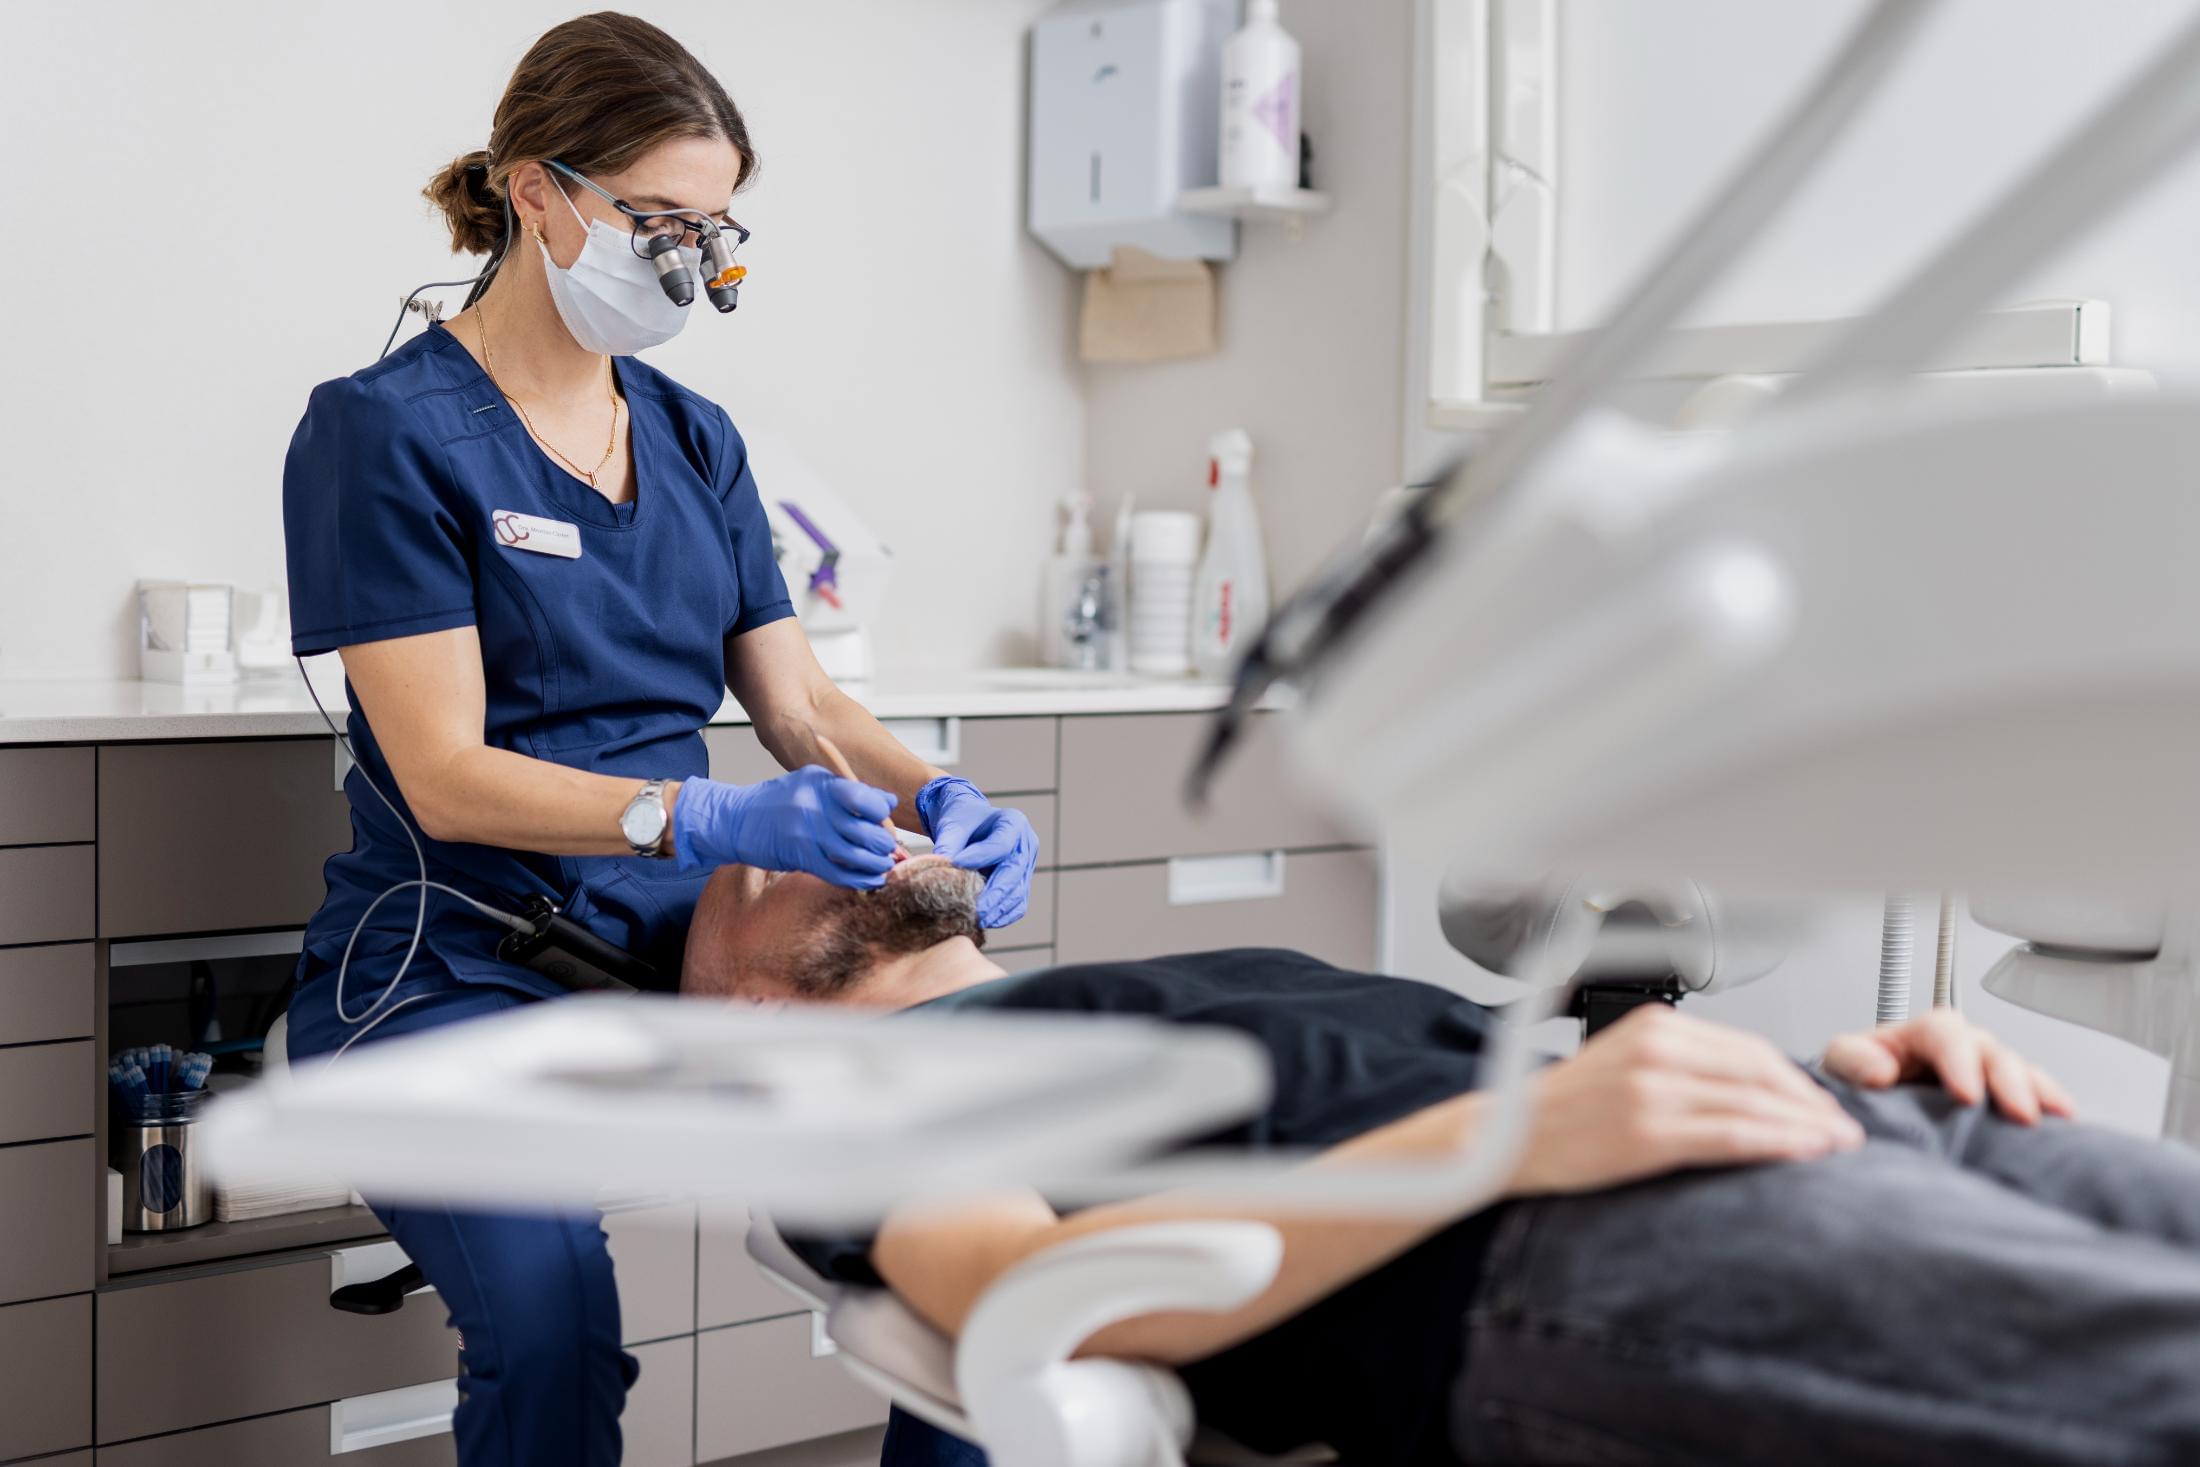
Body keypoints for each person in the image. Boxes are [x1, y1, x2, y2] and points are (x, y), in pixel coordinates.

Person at [279, 16, 1036, 1465]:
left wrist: (942, 789)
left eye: (712, 229)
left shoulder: (697, 439)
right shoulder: (384, 432)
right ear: (535, 191)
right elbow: (443, 776)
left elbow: (801, 707)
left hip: (680, 960)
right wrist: (705, 818)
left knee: (979, 1224)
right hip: (453, 963)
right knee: (556, 1338)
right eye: (658, 220)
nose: (688, 260)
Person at [682, 858, 2200, 1467]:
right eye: (751, 870)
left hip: (1828, 1122)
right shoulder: (865, 1103)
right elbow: (1028, 1292)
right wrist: (1514, 1139)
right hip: (1555, 1252)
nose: (847, 820)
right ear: (744, 1005)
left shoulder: (1130, 988)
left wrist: (1846, 1079)